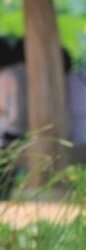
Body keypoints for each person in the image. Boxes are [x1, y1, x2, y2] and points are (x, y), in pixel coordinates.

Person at [0, 37, 28, 199]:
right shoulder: (22, 72)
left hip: (7, 132)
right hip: (23, 130)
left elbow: (2, 108)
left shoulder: (6, 77)